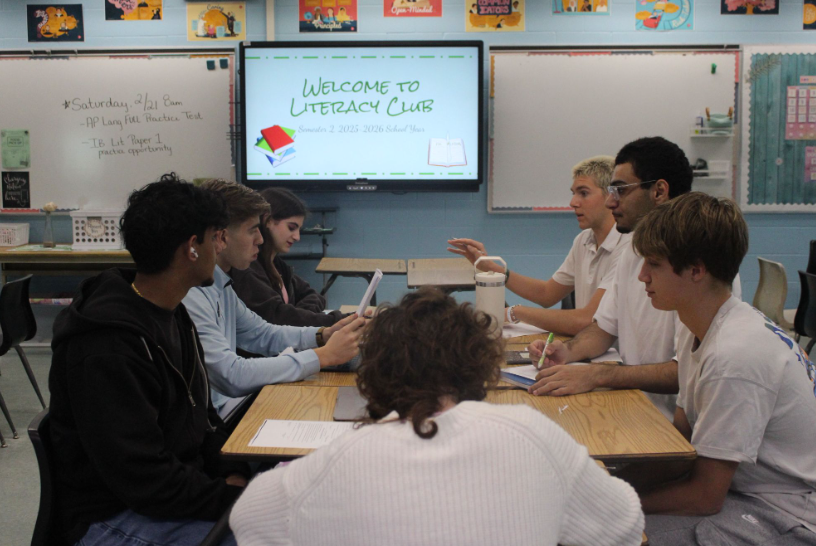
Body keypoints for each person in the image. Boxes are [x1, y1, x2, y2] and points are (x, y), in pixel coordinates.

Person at [229, 288, 646, 546]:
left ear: (370, 376)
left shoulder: (333, 462)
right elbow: (624, 528)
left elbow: (247, 521)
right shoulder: (532, 435)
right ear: (482, 367)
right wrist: (585, 472)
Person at [48, 174, 248, 546]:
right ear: (192, 247)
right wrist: (233, 498)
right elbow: (144, 478)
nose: (218, 250)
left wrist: (237, 471)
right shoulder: (108, 343)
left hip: (163, 495)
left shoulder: (171, 313)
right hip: (111, 517)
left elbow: (202, 423)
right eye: (214, 238)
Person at [632, 193, 816, 545]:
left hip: (789, 514)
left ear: (696, 270)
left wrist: (615, 501)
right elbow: (681, 442)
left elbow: (704, 497)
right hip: (743, 493)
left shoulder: (735, 354)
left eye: (653, 264)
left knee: (611, 532)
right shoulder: (697, 326)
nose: (642, 276)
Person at [528, 137, 707, 419]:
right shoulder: (633, 251)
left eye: (620, 190)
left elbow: (684, 372)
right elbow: (603, 330)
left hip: (670, 423)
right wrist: (566, 351)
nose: (611, 202)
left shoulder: (698, 265)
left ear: (659, 191)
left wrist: (598, 375)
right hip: (632, 404)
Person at [183, 180, 366, 418]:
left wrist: (322, 335)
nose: (260, 239)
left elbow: (263, 333)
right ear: (221, 237)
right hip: (216, 420)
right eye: (252, 230)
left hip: (229, 408)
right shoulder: (193, 293)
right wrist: (323, 355)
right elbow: (232, 375)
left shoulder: (222, 284)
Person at [448, 155, 628, 335]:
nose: (573, 202)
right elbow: (547, 294)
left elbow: (587, 320)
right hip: (586, 351)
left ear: (611, 196)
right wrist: (493, 268)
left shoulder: (626, 246)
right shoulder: (583, 240)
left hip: (615, 358)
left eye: (584, 193)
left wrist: (515, 312)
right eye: (573, 193)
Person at [230, 187, 346, 327]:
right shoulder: (247, 267)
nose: (297, 237)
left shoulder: (277, 265)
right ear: (267, 220)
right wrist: (337, 321)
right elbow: (279, 317)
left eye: (298, 229)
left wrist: (299, 317)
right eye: (291, 227)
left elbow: (313, 296)